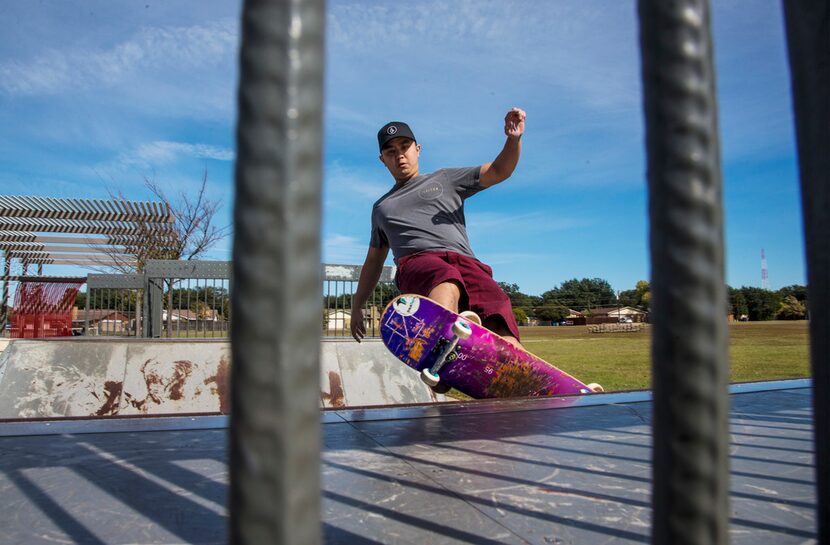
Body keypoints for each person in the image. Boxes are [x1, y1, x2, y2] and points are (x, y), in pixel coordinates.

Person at [350, 107, 527, 348]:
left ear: (418, 149)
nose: (399, 155)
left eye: (404, 147)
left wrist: (513, 140)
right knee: (445, 279)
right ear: (383, 160)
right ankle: (438, 342)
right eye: (391, 152)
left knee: (495, 302)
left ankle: (512, 361)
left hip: (466, 262)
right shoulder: (382, 207)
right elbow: (373, 262)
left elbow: (499, 171)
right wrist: (357, 305)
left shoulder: (446, 179)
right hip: (418, 264)